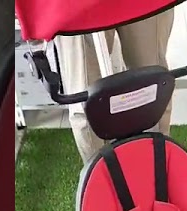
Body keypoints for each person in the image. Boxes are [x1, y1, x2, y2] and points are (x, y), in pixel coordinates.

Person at [54, 10, 175, 163]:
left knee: (155, 86)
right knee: (85, 99)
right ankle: (100, 172)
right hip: (78, 6)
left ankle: (156, 167)